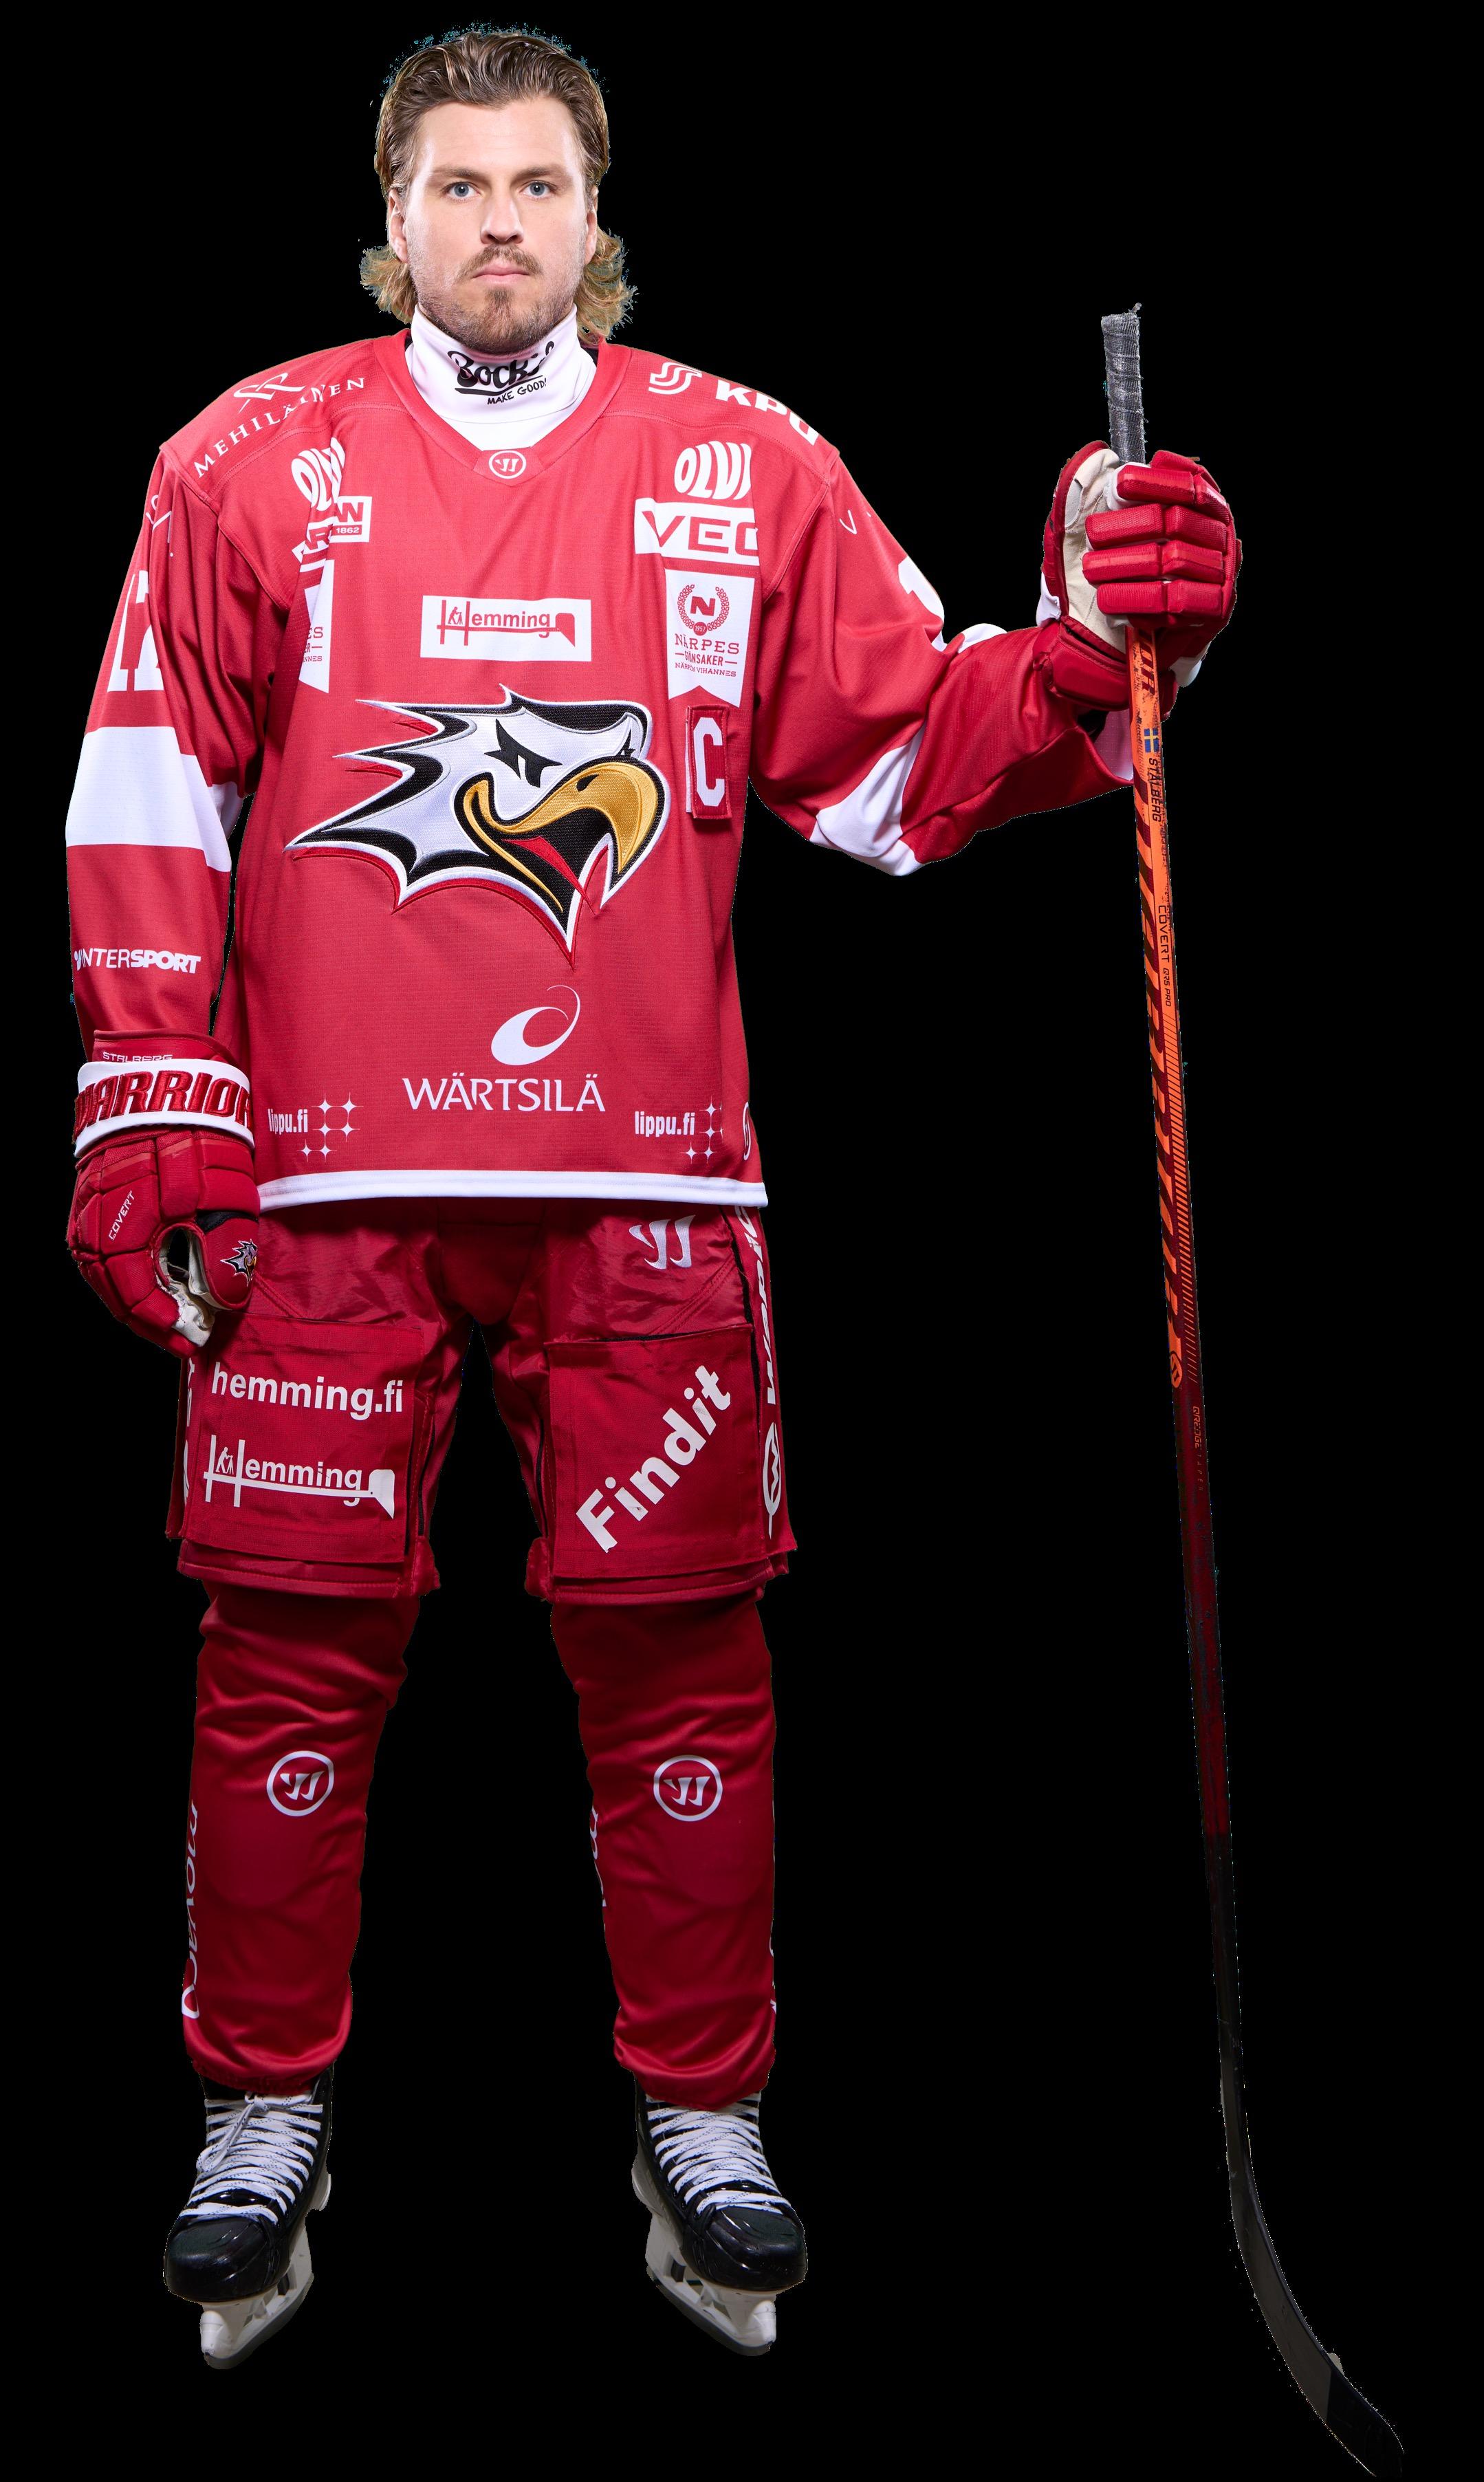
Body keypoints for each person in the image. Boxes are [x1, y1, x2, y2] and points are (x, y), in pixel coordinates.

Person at [63, 26, 1239, 2369]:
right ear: (390, 217)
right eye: (455, 184)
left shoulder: (744, 460)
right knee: (284, 1647)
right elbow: (147, 778)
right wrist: (149, 1098)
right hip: (326, 1181)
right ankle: (260, 2106)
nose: (499, 222)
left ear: (599, 219)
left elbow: (906, 755)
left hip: (650, 1179)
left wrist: (1108, 642)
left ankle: (704, 2113)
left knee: (687, 1652)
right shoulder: (241, 461)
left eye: (540, 185)